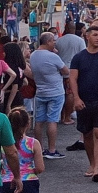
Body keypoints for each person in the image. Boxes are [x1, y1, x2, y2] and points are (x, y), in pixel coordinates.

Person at [67, 25, 98, 182]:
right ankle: (92, 163)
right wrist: (76, 98)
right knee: (87, 134)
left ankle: (97, 167)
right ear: (87, 36)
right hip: (83, 101)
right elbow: (73, 79)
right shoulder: (78, 57)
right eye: (95, 35)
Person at [28, 33, 68, 161]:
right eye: (53, 41)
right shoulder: (53, 56)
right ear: (48, 41)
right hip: (55, 91)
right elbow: (66, 71)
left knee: (39, 121)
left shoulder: (33, 55)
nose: (55, 43)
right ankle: (51, 149)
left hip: (40, 91)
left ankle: (39, 148)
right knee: (52, 120)